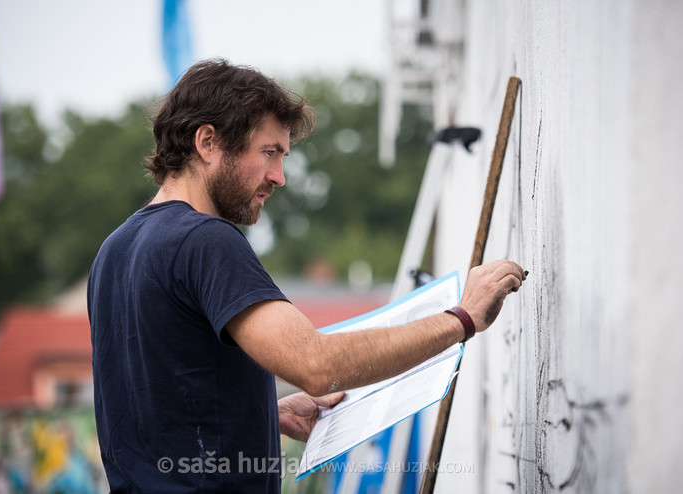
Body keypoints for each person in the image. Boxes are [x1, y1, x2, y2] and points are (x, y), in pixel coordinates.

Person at [87, 58, 526, 493]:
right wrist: (462, 319)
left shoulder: (113, 251)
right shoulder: (206, 240)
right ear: (207, 142)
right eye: (269, 153)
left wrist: (259, 413)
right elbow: (317, 366)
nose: (278, 177)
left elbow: (157, 401)